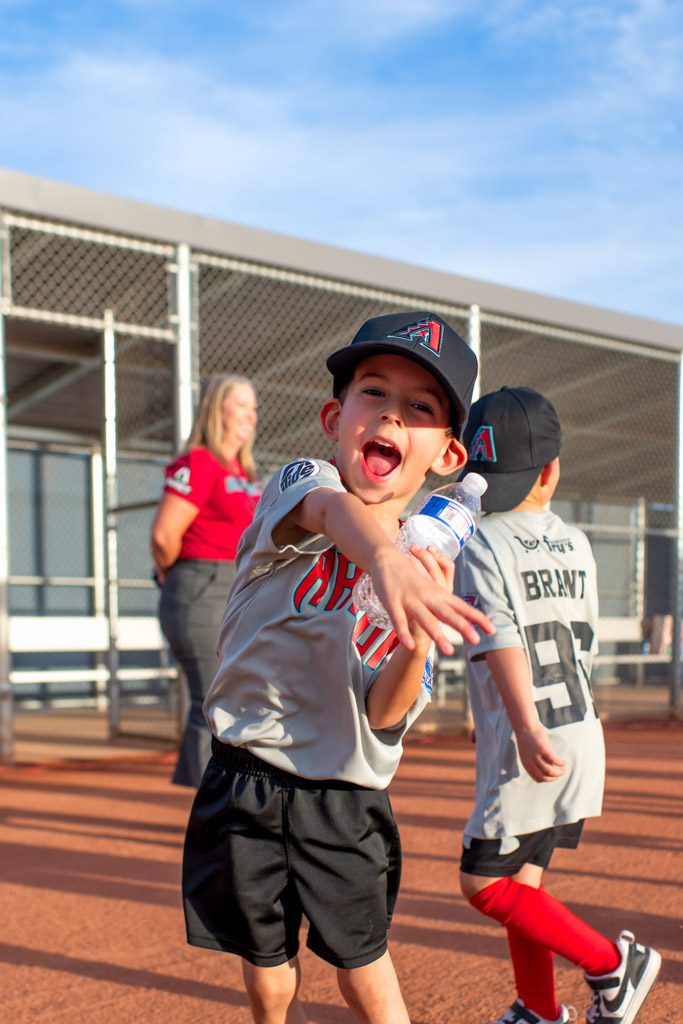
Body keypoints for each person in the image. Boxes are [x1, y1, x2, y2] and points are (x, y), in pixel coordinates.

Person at [181, 311, 496, 1024]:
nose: (391, 414)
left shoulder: (426, 566)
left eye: (420, 407)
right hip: (247, 775)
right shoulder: (303, 484)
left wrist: (418, 639)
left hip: (345, 796)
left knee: (365, 971)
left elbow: (385, 712)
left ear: (448, 454)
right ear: (335, 417)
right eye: (373, 392)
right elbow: (331, 513)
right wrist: (383, 558)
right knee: (269, 976)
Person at [453, 386, 661, 1024]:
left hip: (531, 737)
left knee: (483, 883)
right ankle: (538, 1011)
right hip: (577, 728)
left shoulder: (481, 539)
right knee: (524, 883)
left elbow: (501, 637)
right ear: (552, 470)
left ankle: (613, 965)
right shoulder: (577, 542)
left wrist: (518, 722)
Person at [150, 374, 261, 788]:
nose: (251, 415)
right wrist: (173, 571)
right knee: (214, 703)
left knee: (229, 700)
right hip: (201, 584)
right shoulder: (198, 461)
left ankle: (207, 800)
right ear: (217, 409)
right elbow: (164, 536)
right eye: (241, 405)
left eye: (253, 407)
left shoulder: (243, 469)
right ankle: (210, 809)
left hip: (236, 588)